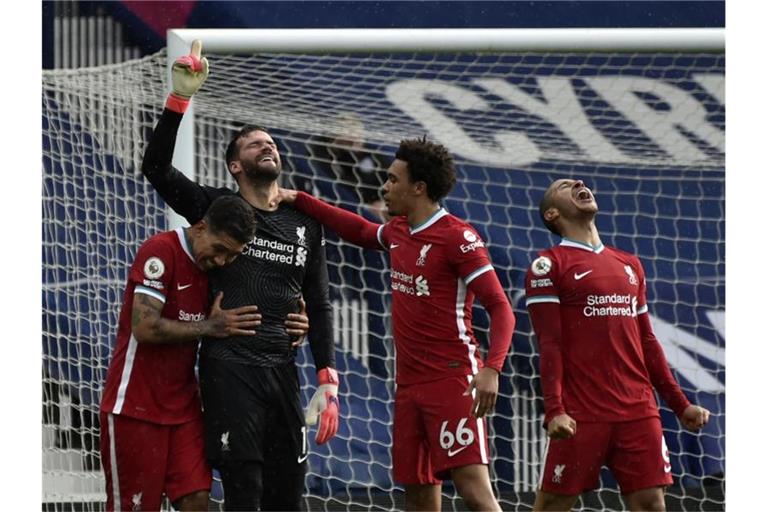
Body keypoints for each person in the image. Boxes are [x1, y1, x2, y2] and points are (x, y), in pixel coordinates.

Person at [140, 40, 339, 511]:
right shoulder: (216, 210)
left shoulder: (304, 223)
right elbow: (155, 167)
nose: (267, 145)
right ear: (235, 165)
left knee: (289, 497)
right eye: (255, 143)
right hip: (230, 370)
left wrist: (327, 377)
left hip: (283, 371)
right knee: (243, 494)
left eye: (271, 142)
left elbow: (320, 298)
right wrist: (179, 100)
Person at [273, 136, 516, 511]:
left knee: (474, 490)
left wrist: (492, 369)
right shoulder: (399, 232)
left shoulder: (458, 237)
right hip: (407, 387)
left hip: (452, 379)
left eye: (392, 180)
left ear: (418, 188)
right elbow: (359, 230)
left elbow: (501, 308)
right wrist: (300, 200)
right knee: (418, 495)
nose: (384, 187)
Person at [99, 195, 308, 511]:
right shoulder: (160, 251)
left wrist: (294, 321)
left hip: (184, 409)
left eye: (232, 255)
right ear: (200, 228)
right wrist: (211, 327)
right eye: (221, 250)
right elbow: (144, 328)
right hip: (134, 407)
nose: (223, 261)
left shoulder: (213, 268)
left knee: (197, 499)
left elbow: (254, 301)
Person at [524, 178, 711, 512]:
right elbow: (549, 343)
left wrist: (681, 405)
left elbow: (648, 341)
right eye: (565, 185)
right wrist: (555, 410)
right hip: (582, 412)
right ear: (552, 213)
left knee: (651, 504)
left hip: (637, 410)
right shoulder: (548, 265)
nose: (579, 183)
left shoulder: (630, 264)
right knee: (552, 505)